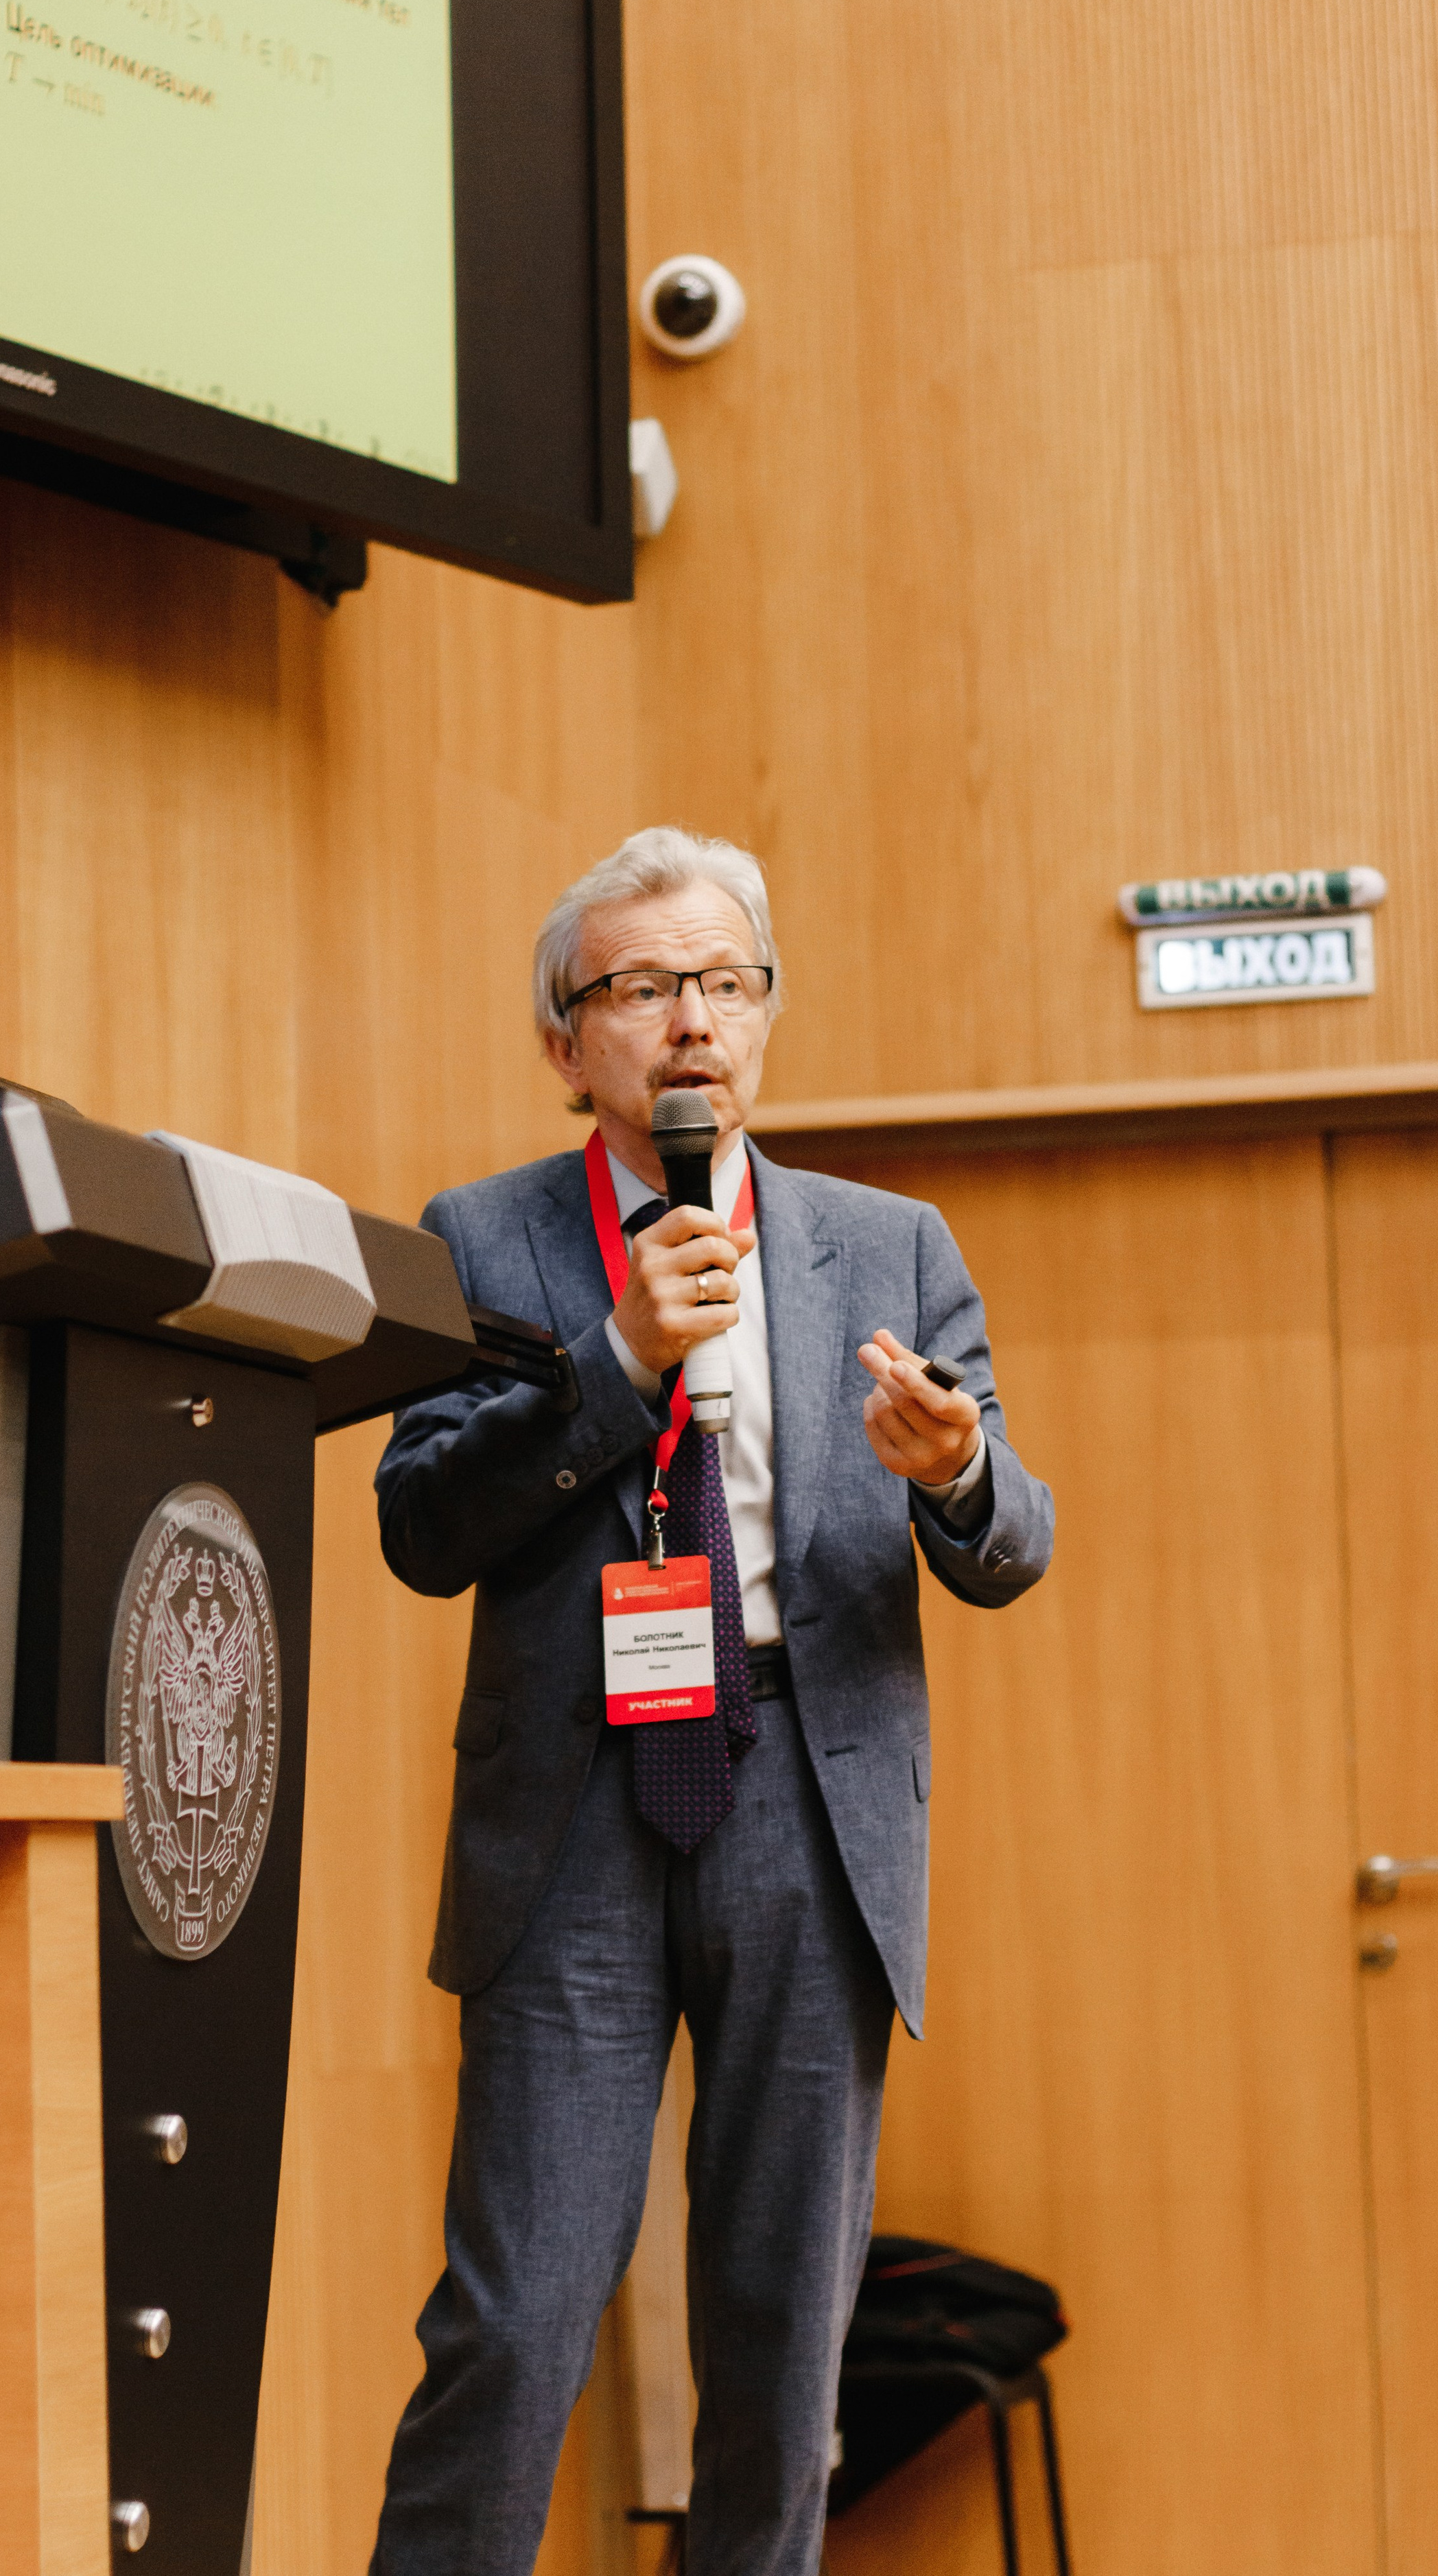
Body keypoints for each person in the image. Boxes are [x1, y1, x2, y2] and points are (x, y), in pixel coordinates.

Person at [370, 827, 1054, 2576]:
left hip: (804, 1809)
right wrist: (613, 1367)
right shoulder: (484, 1239)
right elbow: (421, 1527)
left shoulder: (886, 1246)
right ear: (564, 1040)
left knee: (779, 2360)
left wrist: (959, 1469)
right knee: (512, 2333)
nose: (691, 1022)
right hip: (573, 1823)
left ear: (765, 1015)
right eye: (644, 986)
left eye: (726, 982)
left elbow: (1012, 1543)